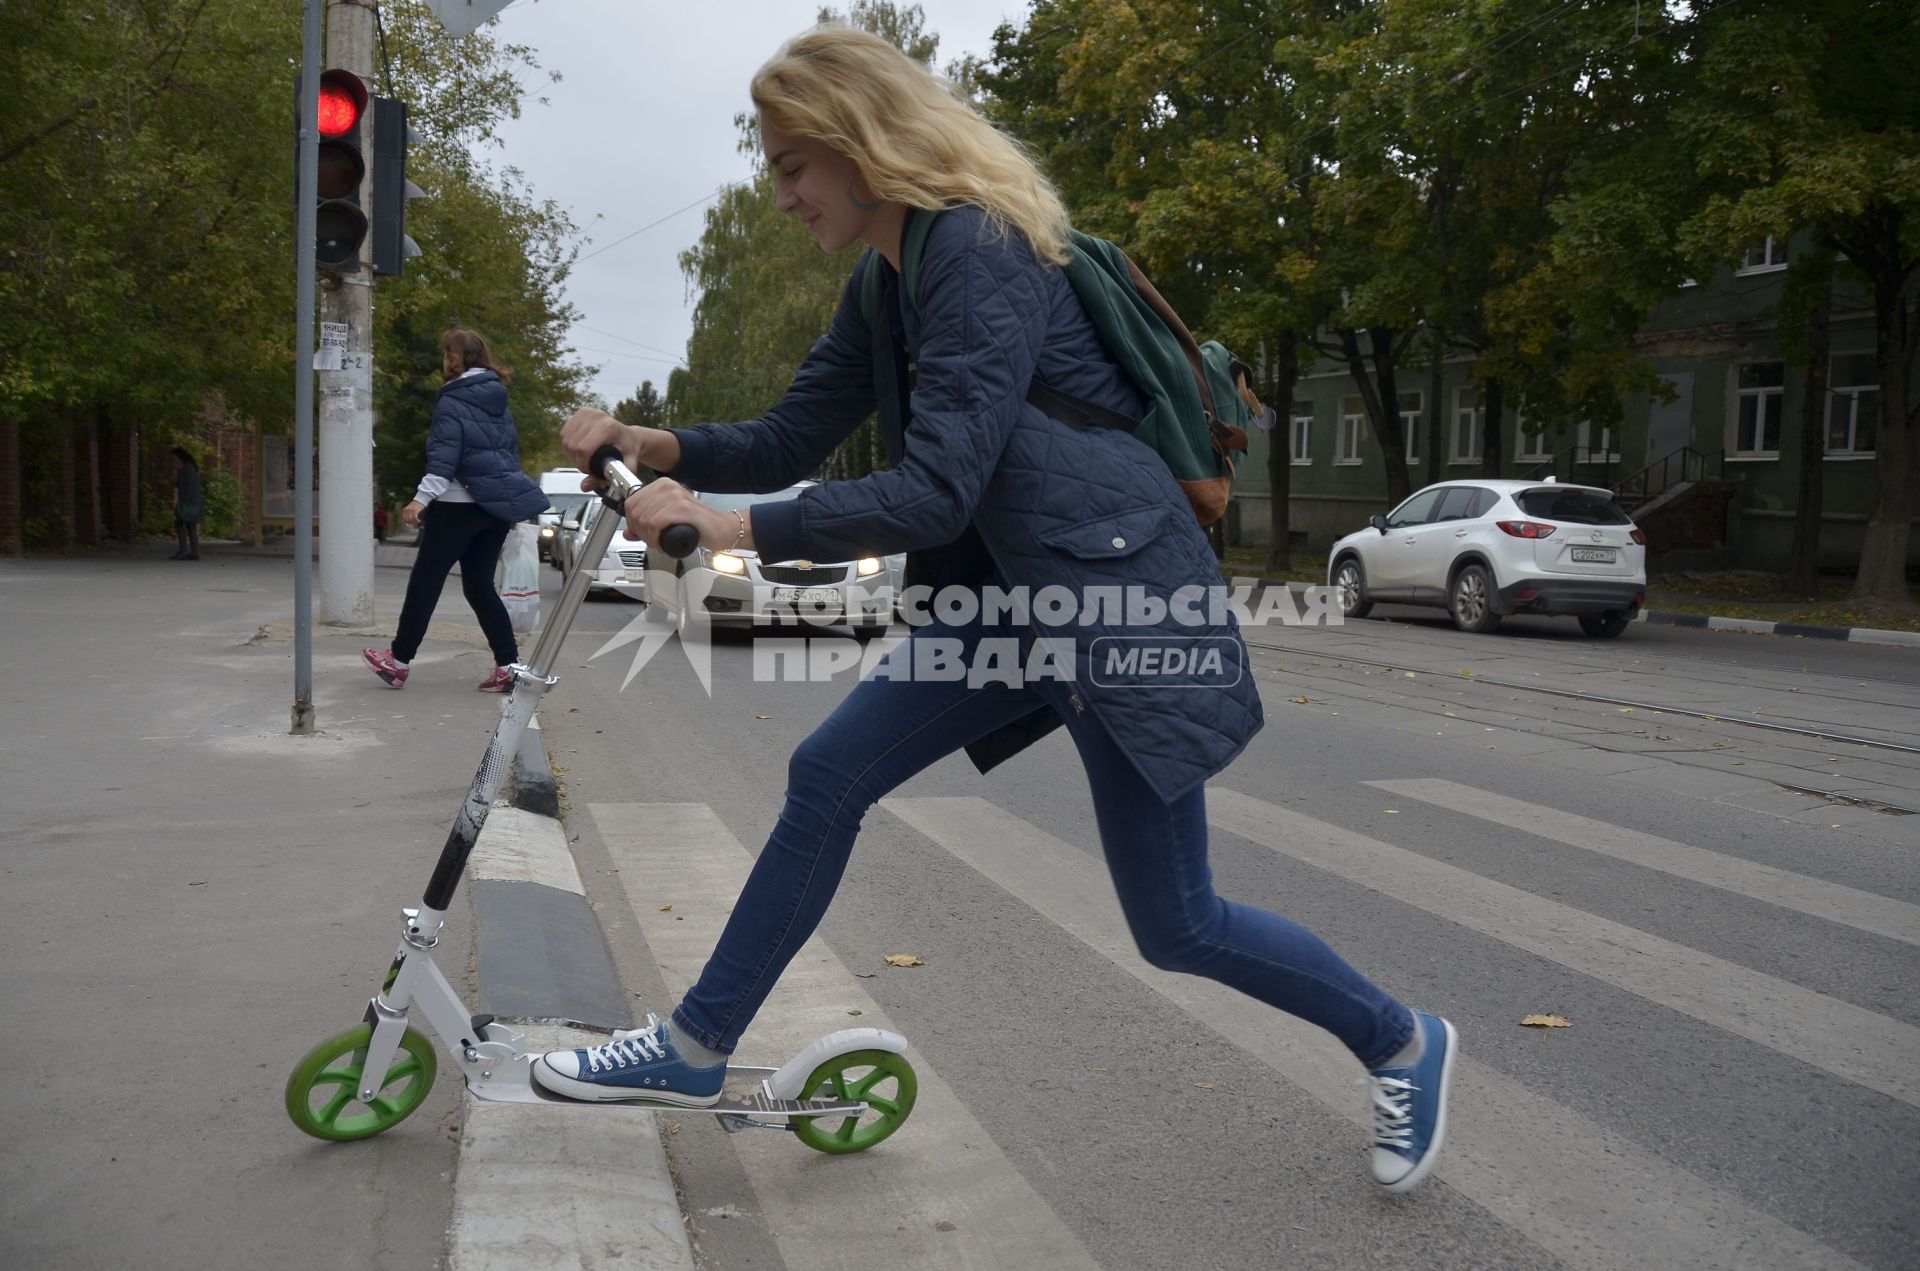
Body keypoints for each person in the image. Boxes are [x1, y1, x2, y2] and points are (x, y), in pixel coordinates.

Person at [544, 26, 1457, 1193]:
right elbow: (785, 438)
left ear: (860, 144)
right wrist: (651, 443)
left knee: (1178, 922)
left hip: (1120, 598)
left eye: (790, 168)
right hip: (1020, 600)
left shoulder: (980, 248)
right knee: (828, 776)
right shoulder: (889, 278)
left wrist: (728, 527)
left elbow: (933, 490)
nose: (781, 198)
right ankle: (691, 1049)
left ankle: (1403, 1038)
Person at [363, 327, 547, 692]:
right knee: (479, 587)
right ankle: (508, 665)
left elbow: (444, 457)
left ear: (456, 359)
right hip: (491, 510)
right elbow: (506, 458)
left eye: (447, 353)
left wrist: (420, 499)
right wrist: (506, 509)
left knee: (425, 583)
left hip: (456, 507)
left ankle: (397, 662)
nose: (443, 359)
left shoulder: (453, 399)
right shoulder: (497, 398)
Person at [169, 446, 202, 560]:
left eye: (174, 458)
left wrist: (185, 503)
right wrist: (176, 472)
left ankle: (184, 551)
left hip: (189, 502)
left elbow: (190, 486)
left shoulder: (188, 468)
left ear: (180, 457)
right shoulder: (183, 468)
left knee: (181, 524)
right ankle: (193, 552)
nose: (173, 461)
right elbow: (176, 484)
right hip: (190, 501)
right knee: (189, 526)